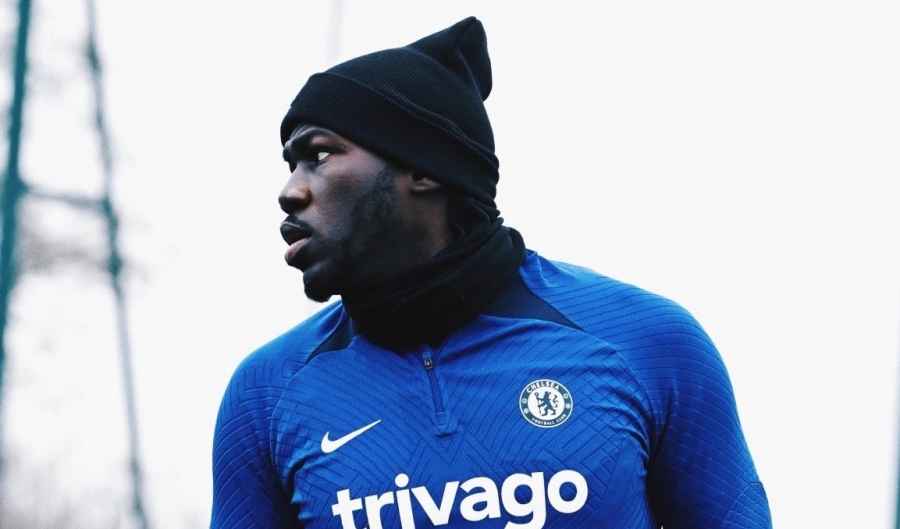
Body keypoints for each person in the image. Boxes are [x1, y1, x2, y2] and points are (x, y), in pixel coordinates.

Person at [210, 16, 772, 529]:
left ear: (423, 168)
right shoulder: (266, 394)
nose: (290, 191)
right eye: (291, 165)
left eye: (318, 155)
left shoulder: (648, 343)